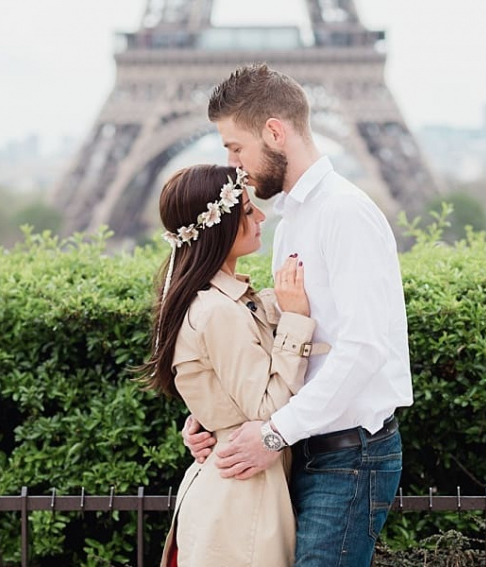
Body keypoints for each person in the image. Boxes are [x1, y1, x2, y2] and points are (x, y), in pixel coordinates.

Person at [182, 62, 414, 566]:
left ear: (274, 132)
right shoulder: (290, 222)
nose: (234, 165)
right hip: (301, 444)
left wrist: (273, 432)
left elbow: (364, 349)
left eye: (235, 147)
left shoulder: (344, 213)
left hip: (348, 454)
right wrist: (214, 413)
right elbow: (274, 343)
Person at [141, 164, 329, 566]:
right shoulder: (218, 311)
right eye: (247, 211)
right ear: (217, 227)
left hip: (232, 490)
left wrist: (206, 420)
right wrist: (296, 320)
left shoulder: (220, 301)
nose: (260, 216)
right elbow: (264, 409)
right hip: (242, 501)